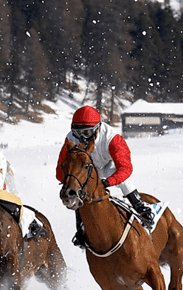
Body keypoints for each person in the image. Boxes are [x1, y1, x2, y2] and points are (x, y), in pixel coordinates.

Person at [56, 105, 156, 249]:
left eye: (86, 132)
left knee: (121, 178)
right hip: (85, 170)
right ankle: (81, 228)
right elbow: (60, 169)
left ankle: (141, 207)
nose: (81, 137)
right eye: (77, 132)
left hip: (108, 167)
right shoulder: (71, 139)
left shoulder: (112, 138)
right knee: (78, 189)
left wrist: (108, 182)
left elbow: (125, 168)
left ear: (97, 128)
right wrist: (71, 184)